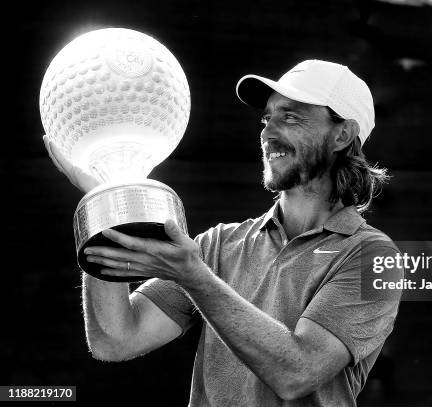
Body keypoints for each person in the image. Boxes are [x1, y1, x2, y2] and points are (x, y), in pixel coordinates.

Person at [44, 59, 403, 406]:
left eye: (290, 116)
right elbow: (115, 339)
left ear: (342, 134)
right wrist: (104, 199)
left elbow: (298, 372)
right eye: (267, 118)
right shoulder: (218, 245)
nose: (267, 132)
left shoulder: (371, 256)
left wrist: (194, 278)